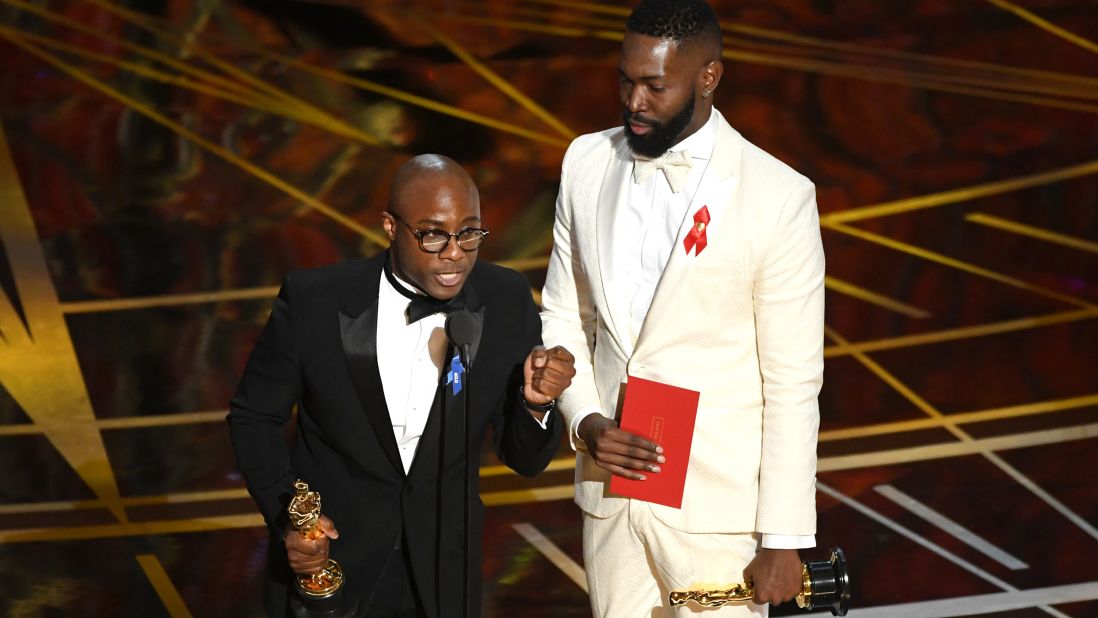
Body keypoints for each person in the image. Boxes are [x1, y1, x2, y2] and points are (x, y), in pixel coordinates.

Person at [539, 1, 824, 616]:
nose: (635, 100)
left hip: (717, 512)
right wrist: (586, 422)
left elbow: (794, 380)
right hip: (611, 494)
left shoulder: (779, 197)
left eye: (655, 86)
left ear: (709, 78)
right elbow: (565, 314)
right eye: (626, 79)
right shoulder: (585, 163)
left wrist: (785, 537)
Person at [228, 154, 574, 617]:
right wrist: (291, 516)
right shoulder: (314, 300)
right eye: (433, 234)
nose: (454, 252)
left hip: (445, 576)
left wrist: (535, 405)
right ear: (391, 226)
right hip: (332, 562)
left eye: (470, 232)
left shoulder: (505, 300)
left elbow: (526, 460)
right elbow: (255, 417)